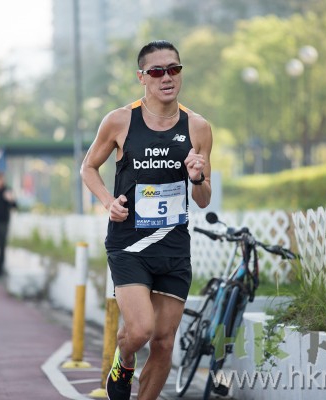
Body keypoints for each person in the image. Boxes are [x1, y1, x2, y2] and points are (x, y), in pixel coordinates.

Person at [81, 40, 212, 400]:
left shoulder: (198, 127)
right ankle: (124, 362)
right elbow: (88, 167)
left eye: (174, 69)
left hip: (174, 246)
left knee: (165, 341)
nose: (166, 77)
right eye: (156, 71)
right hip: (130, 243)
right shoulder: (120, 120)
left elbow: (203, 198)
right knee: (139, 331)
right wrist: (108, 202)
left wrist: (197, 178)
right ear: (142, 77)